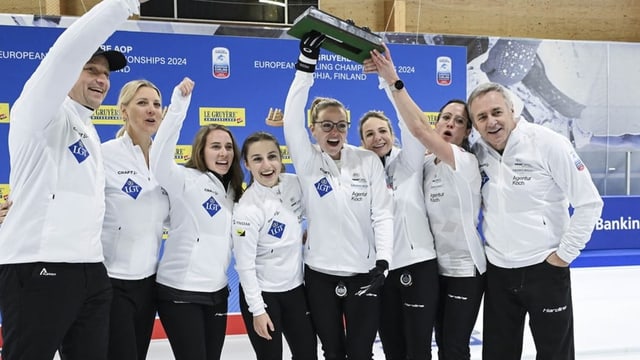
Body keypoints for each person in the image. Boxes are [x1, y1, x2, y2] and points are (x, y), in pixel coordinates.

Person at [0, 1, 141, 359]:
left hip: (91, 271)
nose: (101, 79)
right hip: (39, 265)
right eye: (90, 69)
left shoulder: (86, 127)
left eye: (106, 73)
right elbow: (65, 54)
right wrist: (122, 5)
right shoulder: (39, 110)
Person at [466, 81, 603, 360]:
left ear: (511, 110)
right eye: (482, 117)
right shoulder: (478, 154)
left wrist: (563, 256)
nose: (491, 122)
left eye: (497, 112)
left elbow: (589, 203)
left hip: (545, 270)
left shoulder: (547, 143)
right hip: (499, 273)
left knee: (555, 354)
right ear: (475, 125)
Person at [367, 44, 486, 360]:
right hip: (433, 271)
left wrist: (391, 79)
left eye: (459, 121)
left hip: (463, 270)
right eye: (445, 117)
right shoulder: (422, 164)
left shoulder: (464, 162)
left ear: (467, 132)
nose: (450, 124)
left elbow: (416, 127)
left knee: (454, 348)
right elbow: (412, 128)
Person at [283, 31, 394, 360]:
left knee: (361, 352)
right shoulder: (307, 161)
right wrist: (305, 68)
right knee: (332, 351)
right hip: (319, 275)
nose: (334, 132)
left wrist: (383, 262)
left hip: (364, 273)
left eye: (341, 125)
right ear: (314, 129)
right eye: (326, 125)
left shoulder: (367, 160)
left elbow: (383, 214)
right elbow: (291, 117)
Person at [150, 79, 244, 360]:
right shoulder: (184, 180)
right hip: (180, 292)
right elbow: (158, 159)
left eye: (228, 147)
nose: (223, 153)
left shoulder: (233, 193)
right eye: (215, 146)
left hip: (216, 292)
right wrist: (178, 105)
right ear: (201, 151)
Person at [101, 77, 193, 360]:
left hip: (148, 282)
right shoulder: (104, 155)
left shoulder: (165, 162)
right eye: (142, 103)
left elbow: (179, 217)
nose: (152, 110)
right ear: (124, 110)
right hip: (111, 280)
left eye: (156, 104)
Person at [356, 110, 439, 360]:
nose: (377, 138)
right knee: (392, 346)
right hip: (382, 271)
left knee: (419, 346)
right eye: (369, 134)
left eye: (383, 131)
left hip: (418, 265)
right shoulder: (359, 172)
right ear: (362, 141)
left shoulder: (409, 162)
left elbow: (412, 124)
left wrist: (391, 83)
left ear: (393, 134)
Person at [232, 131, 318, 360]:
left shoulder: (294, 184)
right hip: (263, 295)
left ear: (281, 159)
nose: (267, 165)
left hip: (295, 291)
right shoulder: (247, 209)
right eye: (257, 159)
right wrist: (258, 311)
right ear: (247, 164)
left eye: (272, 156)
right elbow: (244, 266)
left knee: (307, 355)